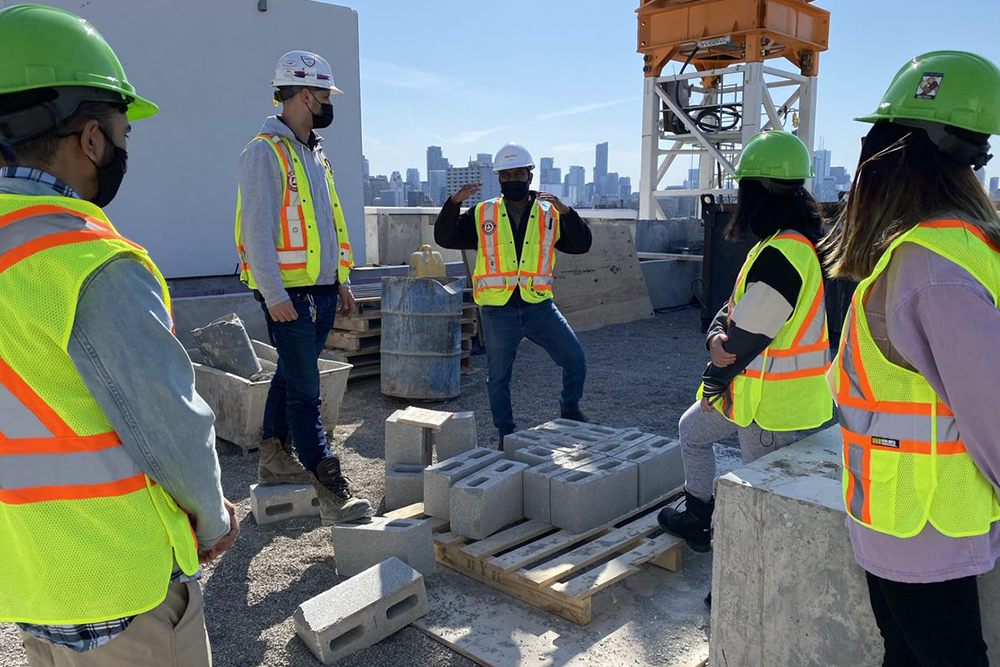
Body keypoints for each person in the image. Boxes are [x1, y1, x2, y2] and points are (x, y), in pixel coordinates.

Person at [0, 5, 238, 666]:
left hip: (26, 579)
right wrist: (212, 521)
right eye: (122, 129)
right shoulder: (90, 264)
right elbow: (171, 425)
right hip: (118, 591)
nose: (126, 146)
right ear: (91, 140)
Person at [824, 51, 1000, 667]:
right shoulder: (945, 259)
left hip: (916, 526)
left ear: (896, 153)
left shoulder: (930, 265)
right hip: (917, 526)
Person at [658, 130, 833, 559]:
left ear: (756, 192)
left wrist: (714, 372)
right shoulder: (778, 245)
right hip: (751, 394)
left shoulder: (784, 253)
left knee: (760, 496)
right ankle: (700, 515)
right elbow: (735, 307)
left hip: (771, 405)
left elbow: (746, 338)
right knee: (691, 431)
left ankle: (746, 584)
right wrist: (715, 333)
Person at [235, 50, 371, 523]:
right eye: (325, 96)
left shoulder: (315, 153)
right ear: (306, 94)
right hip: (287, 294)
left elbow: (329, 225)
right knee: (306, 389)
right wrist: (273, 294)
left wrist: (342, 282)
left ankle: (273, 457)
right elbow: (256, 230)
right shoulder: (264, 152)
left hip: (321, 289)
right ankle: (329, 483)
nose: (328, 104)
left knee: (293, 373)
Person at [434, 142, 592, 443]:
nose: (512, 181)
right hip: (498, 309)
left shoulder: (550, 211)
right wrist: (454, 203)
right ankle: (506, 433)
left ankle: (570, 408)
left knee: (574, 358)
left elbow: (582, 244)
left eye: (518, 174)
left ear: (529, 176)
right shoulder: (483, 212)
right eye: (505, 176)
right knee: (499, 378)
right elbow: (445, 236)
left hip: (539, 306)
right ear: (499, 179)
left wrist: (568, 212)